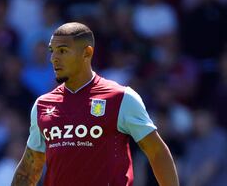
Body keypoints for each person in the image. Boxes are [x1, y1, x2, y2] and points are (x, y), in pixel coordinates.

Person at [11, 22, 179, 186]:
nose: (54, 58)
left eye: (62, 51)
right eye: (52, 51)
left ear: (87, 53)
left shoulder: (121, 98)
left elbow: (157, 152)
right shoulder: (42, 105)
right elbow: (30, 168)